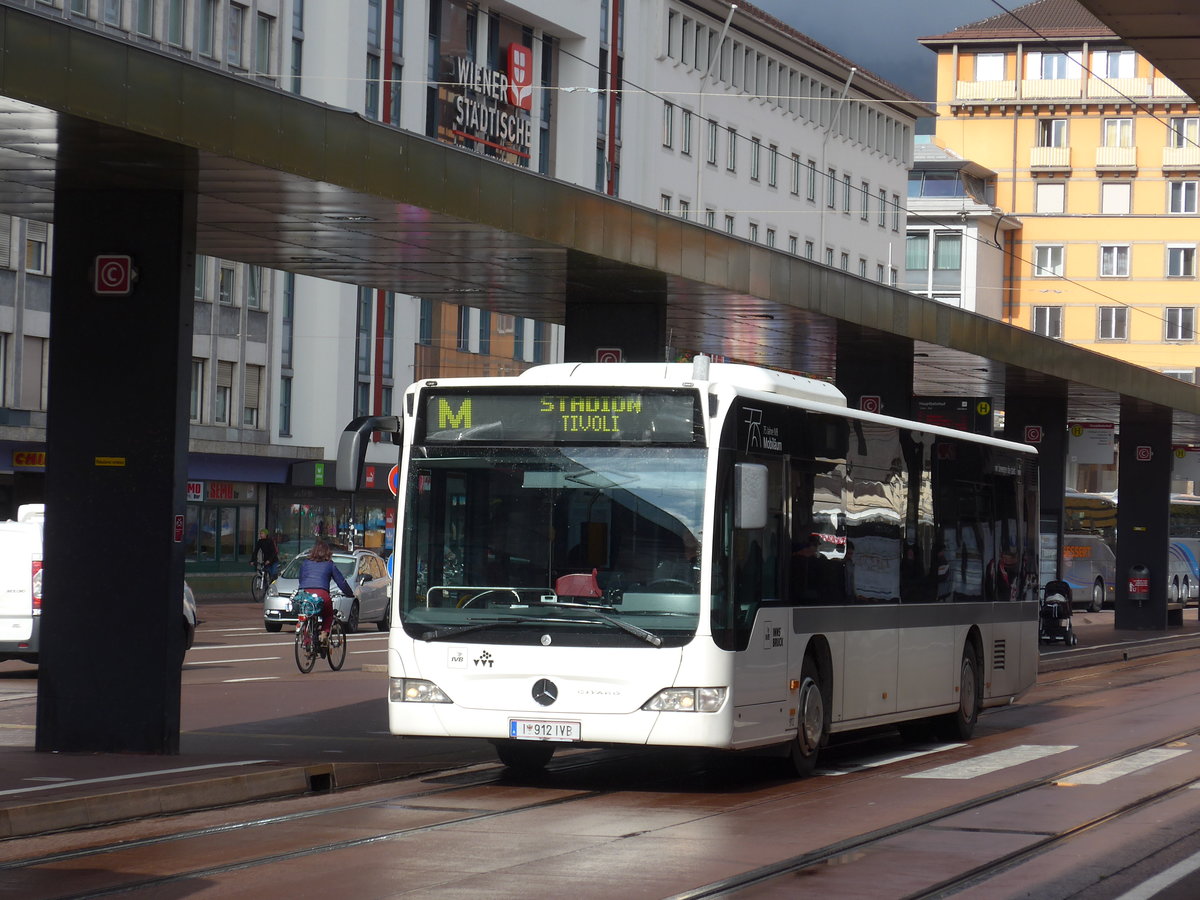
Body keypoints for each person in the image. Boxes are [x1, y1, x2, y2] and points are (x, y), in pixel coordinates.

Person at [298, 541, 354, 642]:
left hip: (305, 593)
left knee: (307, 615)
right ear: (328, 553)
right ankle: (324, 633)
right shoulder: (329, 564)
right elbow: (341, 582)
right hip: (322, 594)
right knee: (328, 614)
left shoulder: (305, 563)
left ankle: (306, 642)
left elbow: (301, 579)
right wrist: (349, 593)